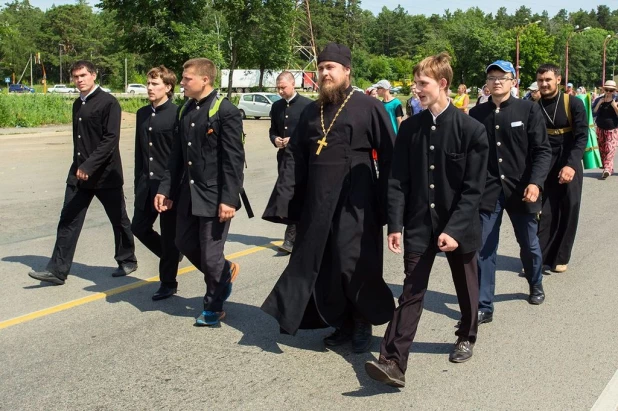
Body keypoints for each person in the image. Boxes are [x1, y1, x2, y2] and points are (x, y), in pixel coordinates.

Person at [261, 42, 396, 353]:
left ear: (347, 71)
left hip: (357, 202)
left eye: (330, 68)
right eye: (320, 68)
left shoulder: (368, 106)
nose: (324, 73)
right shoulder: (311, 111)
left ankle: (363, 320)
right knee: (327, 266)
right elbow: (295, 159)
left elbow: (390, 157)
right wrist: (286, 202)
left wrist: (389, 206)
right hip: (319, 204)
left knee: (355, 264)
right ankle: (343, 322)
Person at [365, 52, 489, 388]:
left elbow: (473, 189)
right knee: (412, 290)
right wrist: (395, 225)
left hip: (459, 225)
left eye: (423, 83)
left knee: (466, 285)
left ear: (443, 84)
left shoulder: (472, 130)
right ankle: (392, 361)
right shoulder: (410, 129)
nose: (416, 89)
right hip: (419, 224)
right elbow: (397, 180)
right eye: (416, 83)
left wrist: (454, 229)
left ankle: (466, 334)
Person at [28, 60, 137, 285]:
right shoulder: (78, 104)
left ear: (94, 75)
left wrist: (89, 166)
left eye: (84, 75)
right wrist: (80, 168)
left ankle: (127, 259)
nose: (79, 80)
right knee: (68, 219)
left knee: (118, 219)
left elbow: (110, 140)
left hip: (106, 175)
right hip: (79, 174)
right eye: (76, 77)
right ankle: (57, 271)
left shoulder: (109, 103)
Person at [155, 58, 245, 326]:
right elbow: (176, 157)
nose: (181, 83)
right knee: (182, 242)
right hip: (188, 195)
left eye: (187, 79)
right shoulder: (185, 111)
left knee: (210, 253)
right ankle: (225, 272)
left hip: (216, 196)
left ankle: (213, 306)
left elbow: (234, 160)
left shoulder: (225, 111)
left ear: (205, 80)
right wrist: (165, 189)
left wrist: (229, 199)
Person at [469, 60, 552, 324]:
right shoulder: (476, 114)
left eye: (502, 77)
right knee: (484, 248)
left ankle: (535, 281)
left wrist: (535, 183)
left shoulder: (528, 110)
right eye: (492, 77)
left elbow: (542, 150)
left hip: (521, 188)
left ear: (513, 81)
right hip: (489, 190)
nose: (496, 82)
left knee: (529, 243)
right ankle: (484, 305)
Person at [131, 66, 181, 301]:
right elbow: (139, 154)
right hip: (146, 183)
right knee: (138, 227)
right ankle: (170, 255)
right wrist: (137, 184)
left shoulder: (177, 114)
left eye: (155, 84)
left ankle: (168, 283)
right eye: (148, 84)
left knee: (169, 235)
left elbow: (178, 157)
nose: (149, 88)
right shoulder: (142, 113)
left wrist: (171, 189)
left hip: (167, 185)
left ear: (168, 87)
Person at [536, 64, 587, 273]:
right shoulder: (533, 105)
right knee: (544, 210)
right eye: (540, 80)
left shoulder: (573, 103)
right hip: (545, 160)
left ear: (558, 79)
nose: (544, 84)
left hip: (569, 158)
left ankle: (560, 257)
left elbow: (581, 136)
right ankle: (538, 258)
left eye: (548, 79)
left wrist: (571, 165)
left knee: (569, 207)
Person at [269, 71, 312, 253]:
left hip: (304, 159)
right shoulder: (277, 106)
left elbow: (313, 133)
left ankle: (293, 238)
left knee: (301, 196)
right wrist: (275, 139)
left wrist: (294, 139)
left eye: (283, 87)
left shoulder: (307, 105)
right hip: (284, 159)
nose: (280, 91)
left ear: (293, 84)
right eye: (278, 87)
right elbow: (272, 129)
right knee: (288, 197)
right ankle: (294, 238)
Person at [592, 80, 618, 179]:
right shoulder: (599, 99)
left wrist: (615, 107)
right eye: (606, 89)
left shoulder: (617, 99)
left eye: (610, 90)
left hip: (613, 129)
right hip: (600, 128)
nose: (608, 92)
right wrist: (599, 104)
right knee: (602, 149)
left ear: (614, 91)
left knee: (610, 148)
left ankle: (607, 169)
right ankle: (608, 168)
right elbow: (593, 113)